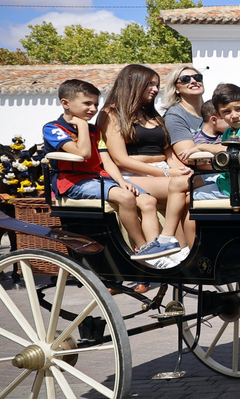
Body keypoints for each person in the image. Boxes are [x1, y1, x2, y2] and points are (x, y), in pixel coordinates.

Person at [42, 80, 174, 269]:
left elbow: (107, 161)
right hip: (73, 181)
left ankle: (157, 249)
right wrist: (81, 126)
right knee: (126, 197)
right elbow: (83, 153)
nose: (93, 109)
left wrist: (121, 181)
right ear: (65, 103)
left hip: (101, 178)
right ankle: (142, 247)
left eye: (95, 104)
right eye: (87, 103)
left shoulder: (95, 130)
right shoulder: (53, 129)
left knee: (148, 201)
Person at [96, 65, 195, 264]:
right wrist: (167, 174)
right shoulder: (111, 114)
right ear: (132, 84)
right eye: (150, 84)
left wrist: (178, 169)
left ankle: (184, 250)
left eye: (156, 84)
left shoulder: (152, 115)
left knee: (191, 192)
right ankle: (175, 245)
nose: (155, 89)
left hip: (162, 171)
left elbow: (168, 152)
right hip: (131, 174)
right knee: (187, 187)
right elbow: (120, 159)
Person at [161, 66, 226, 201]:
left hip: (223, 170)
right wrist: (229, 161)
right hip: (202, 174)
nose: (193, 81)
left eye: (197, 77)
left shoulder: (212, 109)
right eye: (185, 79)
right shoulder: (175, 116)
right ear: (176, 89)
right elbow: (189, 156)